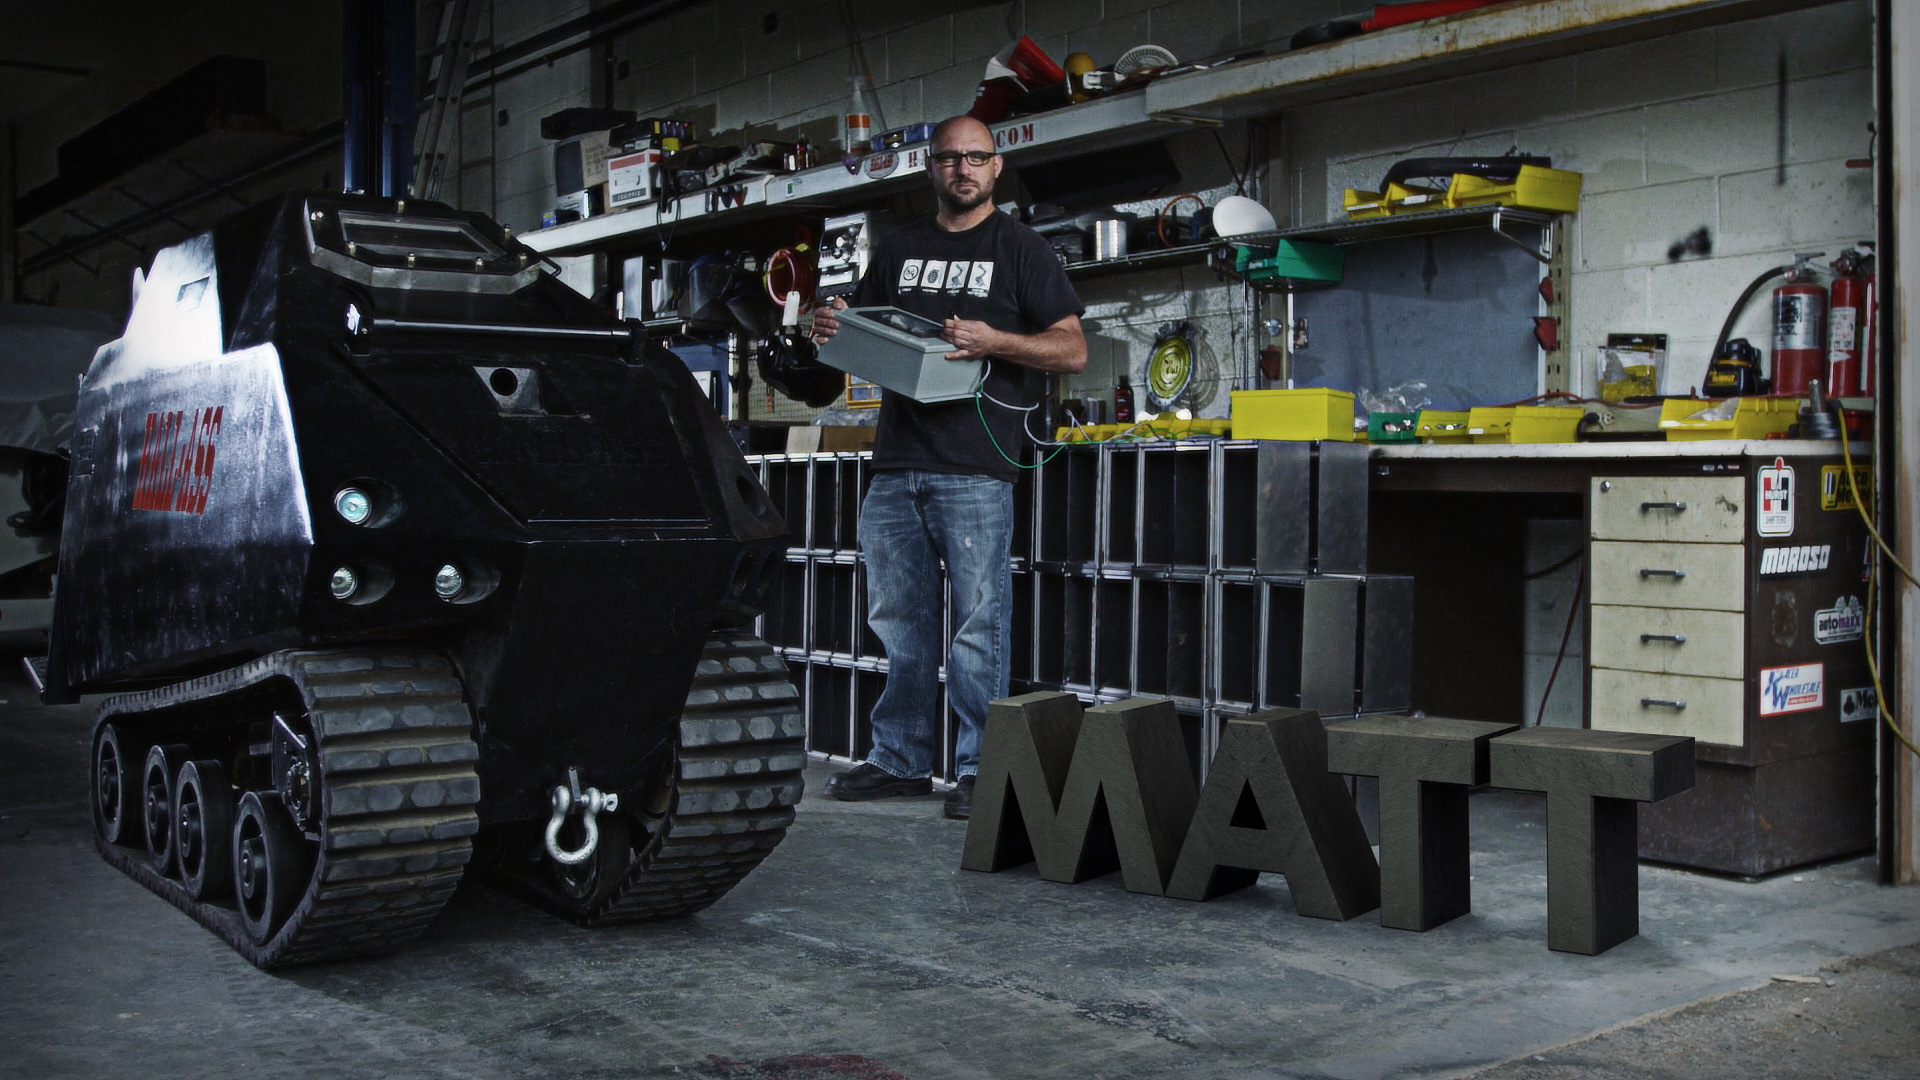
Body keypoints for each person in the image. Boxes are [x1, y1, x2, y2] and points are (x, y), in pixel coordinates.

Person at [810, 115, 1086, 819]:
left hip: (976, 465)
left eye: (975, 157)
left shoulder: (1022, 249)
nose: (962, 169)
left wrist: (996, 341)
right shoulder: (900, 248)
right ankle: (900, 760)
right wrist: (831, 326)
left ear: (996, 167)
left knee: (977, 626)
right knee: (897, 622)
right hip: (897, 462)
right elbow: (861, 333)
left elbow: (1072, 349)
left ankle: (979, 771)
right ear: (931, 168)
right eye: (949, 158)